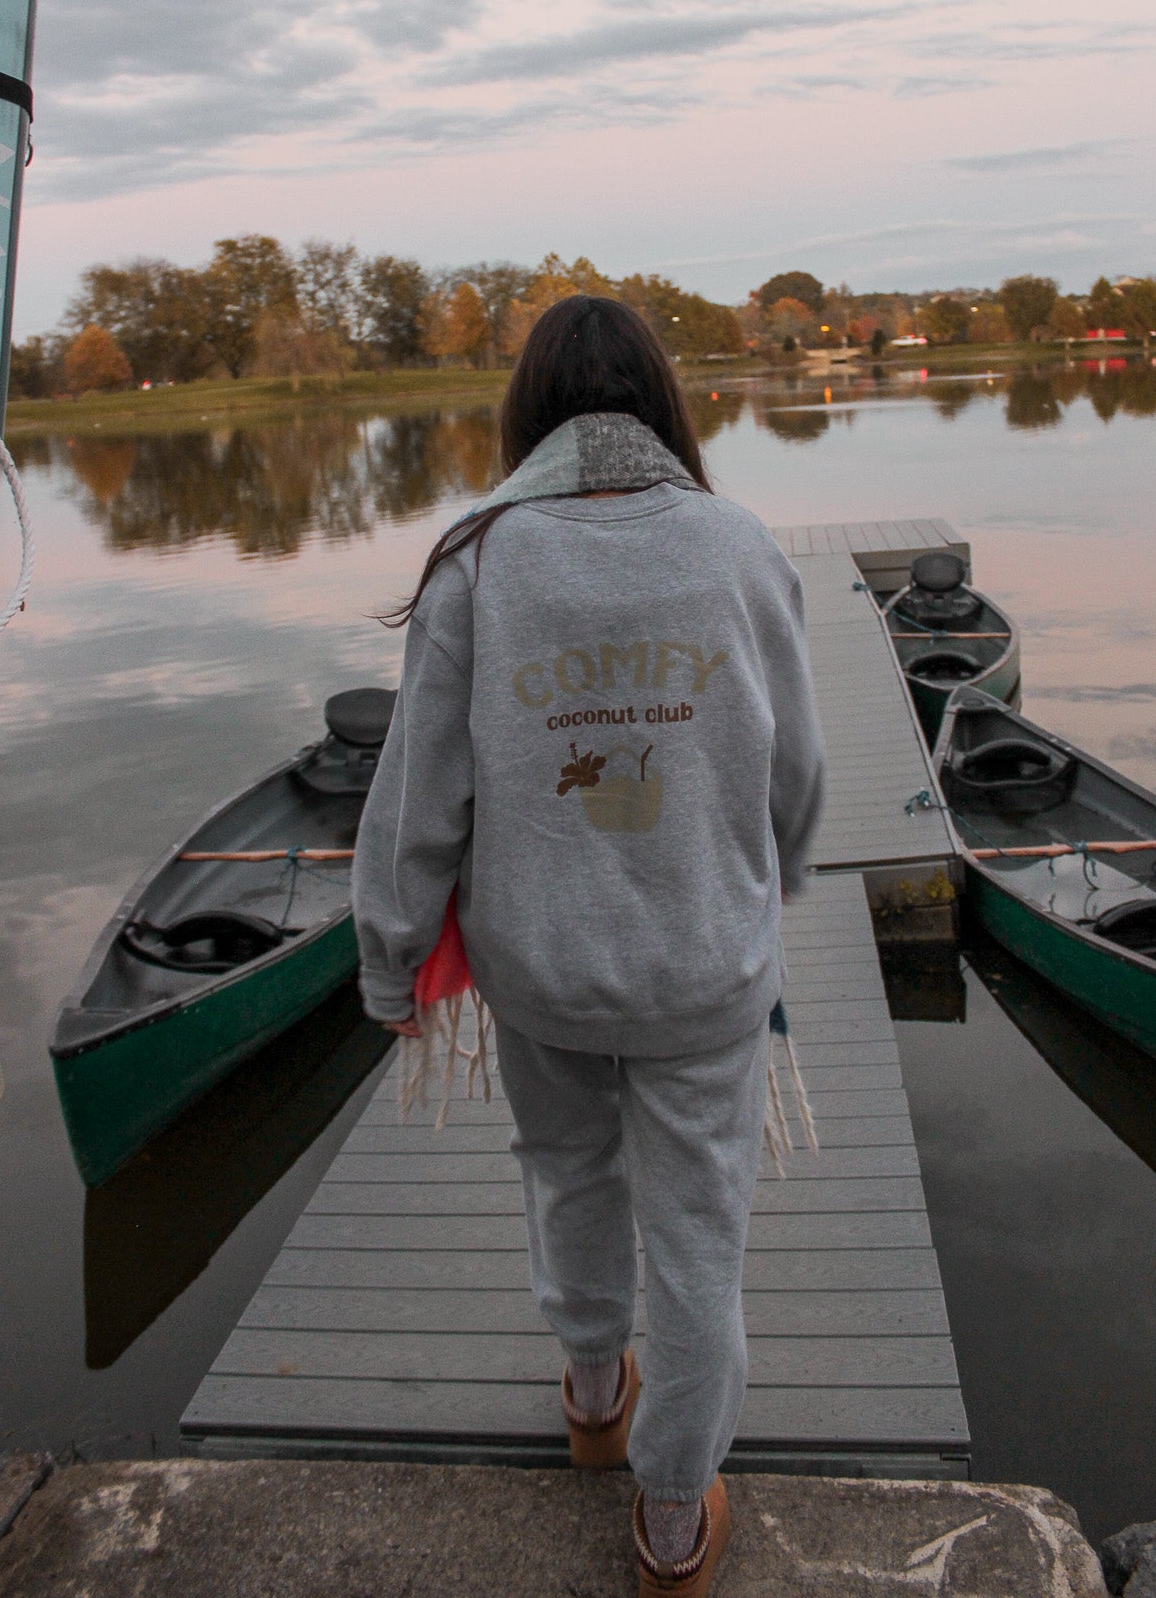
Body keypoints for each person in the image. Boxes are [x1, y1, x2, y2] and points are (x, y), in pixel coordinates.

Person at [353, 295, 824, 1595]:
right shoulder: (737, 545)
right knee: (696, 1238)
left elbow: (418, 800)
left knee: (563, 1173)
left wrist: (390, 961)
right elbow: (797, 763)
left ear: (528, 417)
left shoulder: (475, 560)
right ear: (665, 404)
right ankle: (671, 1517)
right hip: (700, 973)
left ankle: (586, 1390)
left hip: (541, 971)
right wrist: (776, 873)